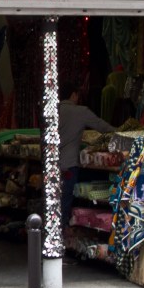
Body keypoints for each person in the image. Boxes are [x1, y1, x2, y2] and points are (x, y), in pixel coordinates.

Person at [58, 80, 115, 228]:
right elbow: (103, 127)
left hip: (50, 164)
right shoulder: (81, 112)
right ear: (73, 95)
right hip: (68, 165)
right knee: (65, 200)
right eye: (78, 95)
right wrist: (122, 132)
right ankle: (61, 235)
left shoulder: (51, 111)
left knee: (52, 201)